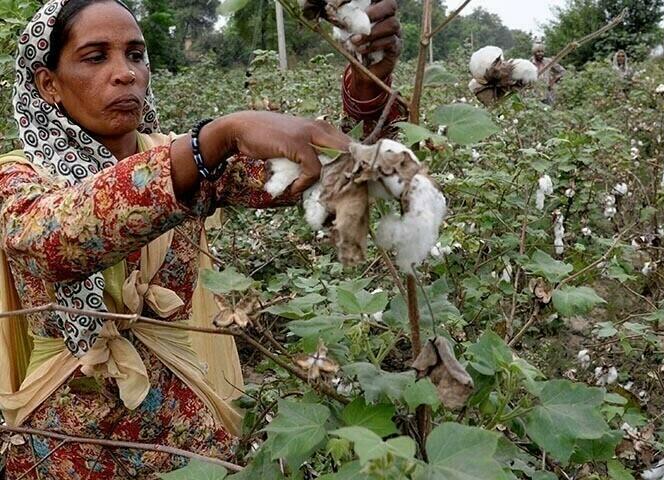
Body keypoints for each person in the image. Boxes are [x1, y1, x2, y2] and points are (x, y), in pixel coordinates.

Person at [0, 0, 401, 478]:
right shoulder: (19, 179)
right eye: (95, 57)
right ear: (49, 84)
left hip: (184, 430)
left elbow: (325, 170)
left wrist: (366, 87)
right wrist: (215, 138)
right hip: (67, 443)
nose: (125, 73)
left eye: (135, 54)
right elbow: (55, 238)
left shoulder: (193, 166)